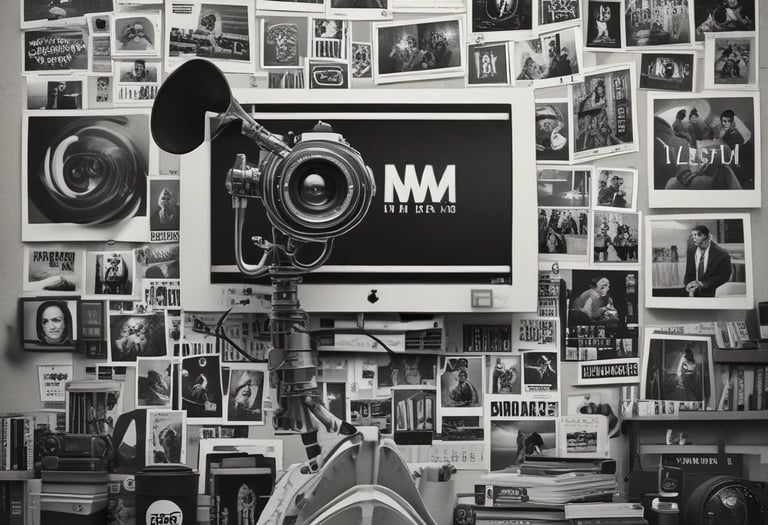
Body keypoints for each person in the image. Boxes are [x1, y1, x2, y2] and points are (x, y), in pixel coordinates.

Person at [683, 224, 733, 297]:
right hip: (693, 294)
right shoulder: (691, 251)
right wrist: (688, 284)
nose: (693, 237)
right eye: (692, 235)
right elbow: (688, 273)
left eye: (697, 235)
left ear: (705, 236)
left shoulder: (722, 254)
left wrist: (703, 284)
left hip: (713, 294)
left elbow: (724, 276)